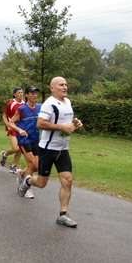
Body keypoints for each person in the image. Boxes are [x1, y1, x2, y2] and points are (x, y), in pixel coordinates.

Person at [17, 77, 83, 227]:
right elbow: (40, 123)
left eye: (66, 84)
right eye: (61, 85)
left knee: (68, 180)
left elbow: (65, 122)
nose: (64, 87)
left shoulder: (68, 102)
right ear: (52, 88)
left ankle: (63, 214)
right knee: (41, 183)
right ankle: (27, 181)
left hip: (63, 149)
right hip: (48, 149)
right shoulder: (49, 104)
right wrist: (62, 128)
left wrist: (75, 123)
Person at [8, 86, 42, 199]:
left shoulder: (40, 107)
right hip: (24, 139)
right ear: (27, 95)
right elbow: (11, 123)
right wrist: (20, 130)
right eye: (32, 93)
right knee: (31, 165)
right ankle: (27, 188)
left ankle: (21, 173)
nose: (35, 95)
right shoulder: (21, 109)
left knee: (36, 167)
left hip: (35, 138)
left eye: (36, 93)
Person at [0, 87, 25, 173]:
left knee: (21, 149)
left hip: (22, 128)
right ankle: (4, 154)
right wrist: (8, 125)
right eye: (18, 93)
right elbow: (4, 116)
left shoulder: (25, 103)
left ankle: (13, 166)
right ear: (14, 94)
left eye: (21, 92)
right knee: (15, 148)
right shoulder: (11, 104)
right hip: (13, 128)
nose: (21, 94)